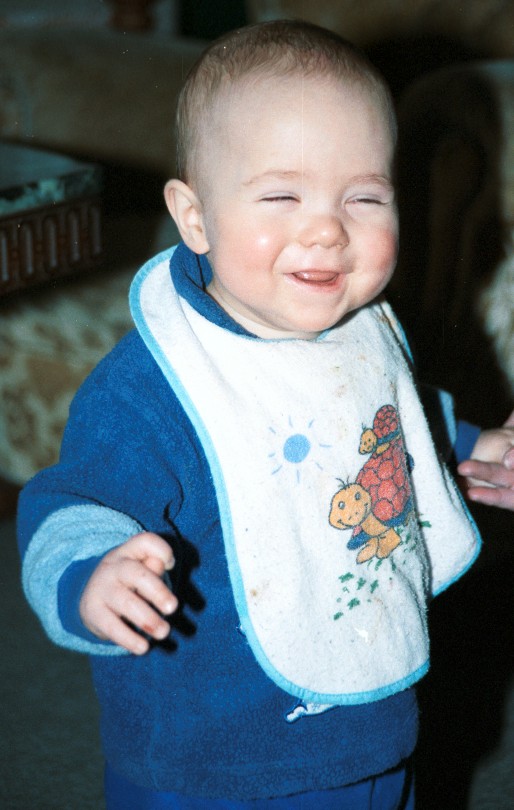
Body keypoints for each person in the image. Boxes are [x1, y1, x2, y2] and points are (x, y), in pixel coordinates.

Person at [17, 19, 514, 810]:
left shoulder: (361, 329)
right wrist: (90, 575)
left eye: (364, 197)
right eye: (282, 195)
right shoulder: (152, 390)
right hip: (210, 755)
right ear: (195, 217)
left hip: (371, 723)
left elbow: (384, 416)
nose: (327, 228)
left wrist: (469, 442)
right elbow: (72, 501)